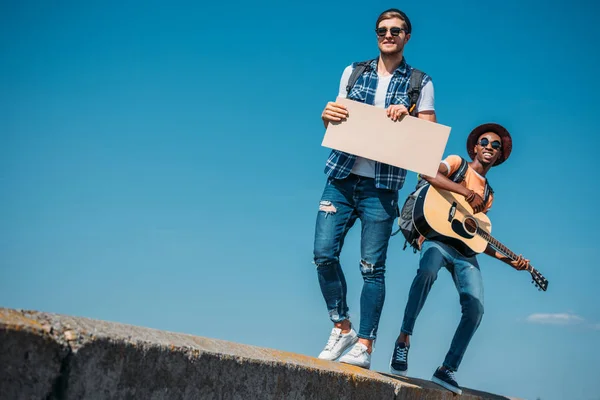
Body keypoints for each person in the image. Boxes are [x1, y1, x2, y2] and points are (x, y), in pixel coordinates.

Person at [313, 8, 436, 369]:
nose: (388, 34)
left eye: (396, 30)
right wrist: (327, 115)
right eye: (382, 29)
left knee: (372, 268)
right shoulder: (354, 71)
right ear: (376, 34)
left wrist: (408, 116)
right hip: (341, 177)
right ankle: (343, 327)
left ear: (407, 37)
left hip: (381, 188)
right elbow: (334, 115)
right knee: (323, 254)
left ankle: (365, 345)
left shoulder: (419, 82)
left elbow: (427, 136)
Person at [388, 123, 531, 394]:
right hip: (437, 241)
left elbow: (475, 237)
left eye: (496, 146)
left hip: (464, 254)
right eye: (485, 142)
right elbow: (427, 172)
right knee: (427, 271)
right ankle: (404, 339)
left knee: (476, 308)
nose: (490, 147)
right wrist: (465, 192)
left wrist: (508, 260)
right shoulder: (457, 164)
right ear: (476, 147)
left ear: (500, 156)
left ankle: (447, 369)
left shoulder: (489, 196)